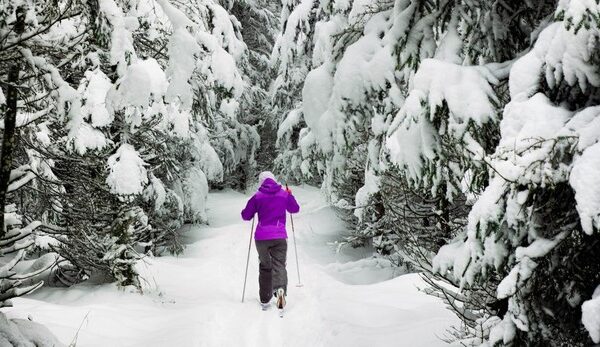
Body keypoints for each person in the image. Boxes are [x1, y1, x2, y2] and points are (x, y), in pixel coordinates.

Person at [241, 171, 300, 311]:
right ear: (274, 180)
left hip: (261, 238)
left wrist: (255, 207)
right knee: (279, 265)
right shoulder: (283, 194)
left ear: (261, 182)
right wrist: (290, 195)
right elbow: (295, 209)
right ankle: (280, 292)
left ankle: (265, 299)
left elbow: (245, 215)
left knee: (265, 266)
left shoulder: (257, 196)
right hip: (279, 237)